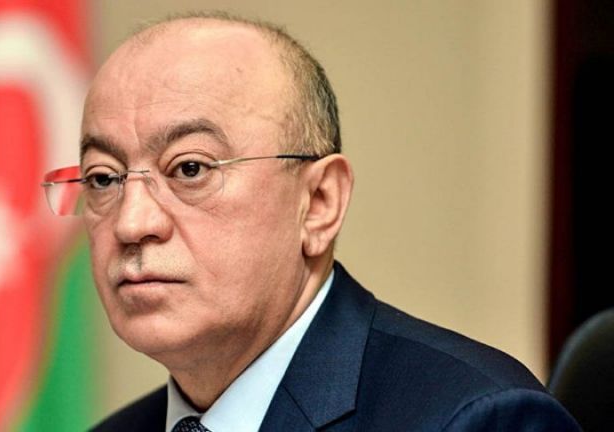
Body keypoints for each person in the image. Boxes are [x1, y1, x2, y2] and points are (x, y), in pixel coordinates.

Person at [42, 11, 580, 432]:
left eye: (190, 168)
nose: (132, 223)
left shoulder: (476, 422)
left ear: (319, 203)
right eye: (104, 178)